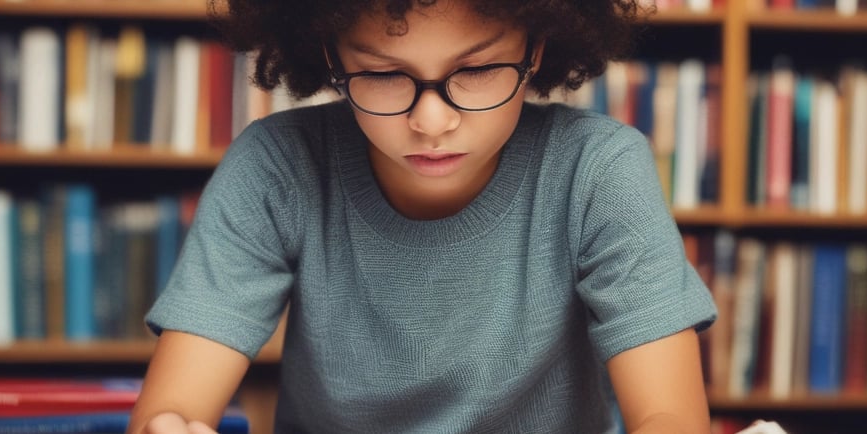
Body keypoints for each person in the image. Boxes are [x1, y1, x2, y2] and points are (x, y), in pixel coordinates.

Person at [127, 0, 718, 432]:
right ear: (332, 56)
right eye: (384, 74)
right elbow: (170, 412)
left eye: (478, 69)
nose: (432, 123)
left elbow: (670, 418)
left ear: (534, 50)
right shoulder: (279, 164)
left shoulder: (600, 169)